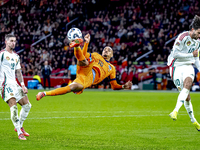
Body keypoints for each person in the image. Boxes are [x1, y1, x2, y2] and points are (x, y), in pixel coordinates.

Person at [36, 33, 132, 100]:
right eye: (105, 49)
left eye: (109, 50)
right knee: (86, 61)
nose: (106, 50)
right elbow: (84, 54)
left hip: (86, 80)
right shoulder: (96, 55)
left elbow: (114, 86)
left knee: (72, 87)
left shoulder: (112, 68)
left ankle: (44, 93)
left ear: (112, 55)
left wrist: (123, 86)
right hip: (87, 69)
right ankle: (77, 46)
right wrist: (86, 43)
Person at [167, 15, 200, 131]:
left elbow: (196, 59)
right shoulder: (182, 37)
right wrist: (191, 55)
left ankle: (175, 111)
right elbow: (175, 54)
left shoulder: (198, 42)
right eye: (199, 33)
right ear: (192, 30)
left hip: (188, 66)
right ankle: (194, 120)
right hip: (175, 66)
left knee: (188, 83)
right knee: (187, 97)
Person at [0, 34, 32, 140]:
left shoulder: (16, 56)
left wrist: (22, 85)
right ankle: (19, 132)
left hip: (15, 84)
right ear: (6, 42)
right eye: (11, 41)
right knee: (13, 107)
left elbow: (18, 72)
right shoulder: (2, 54)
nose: (13, 43)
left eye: (15, 41)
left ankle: (20, 126)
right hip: (5, 84)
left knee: (27, 105)